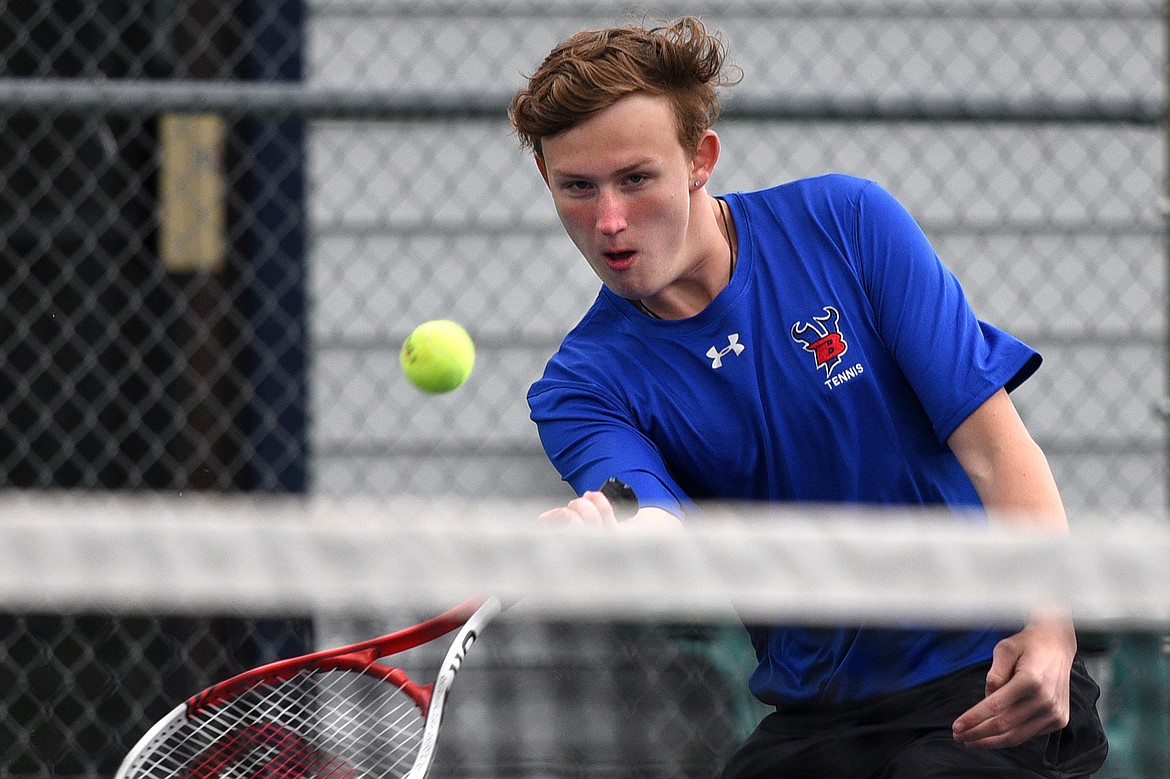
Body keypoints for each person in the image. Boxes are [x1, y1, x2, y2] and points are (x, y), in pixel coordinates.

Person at [507, 16, 1108, 779]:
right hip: (820, 719)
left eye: (636, 178)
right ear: (547, 183)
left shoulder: (848, 224)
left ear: (700, 159)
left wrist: (1051, 626)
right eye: (578, 189)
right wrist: (611, 537)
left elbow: (994, 448)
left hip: (983, 674)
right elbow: (661, 524)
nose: (610, 221)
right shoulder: (582, 385)